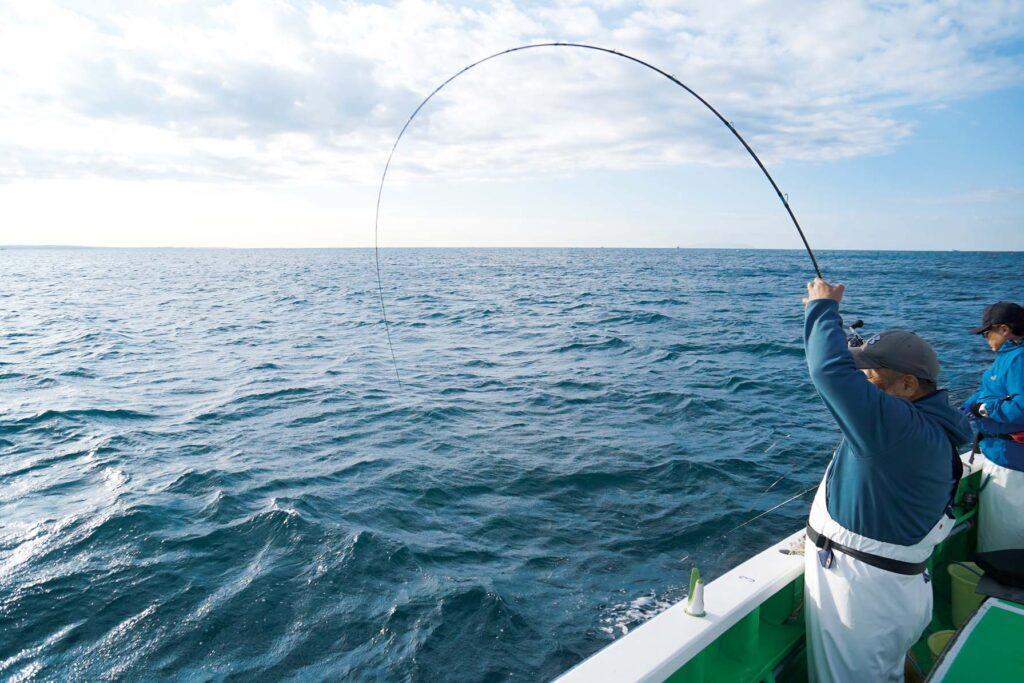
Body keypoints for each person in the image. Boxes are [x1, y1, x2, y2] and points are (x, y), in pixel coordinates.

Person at [802, 277, 971, 683]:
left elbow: (828, 371)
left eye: (872, 378)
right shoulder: (929, 424)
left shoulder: (897, 428)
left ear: (908, 385)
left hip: (864, 598)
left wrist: (821, 307)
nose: (865, 388)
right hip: (895, 587)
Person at [962, 301, 1024, 552]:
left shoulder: (1017, 359)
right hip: (1009, 457)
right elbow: (993, 391)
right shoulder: (1011, 356)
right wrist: (968, 406)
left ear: (1004, 329)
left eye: (987, 333)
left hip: (1009, 463)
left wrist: (983, 409)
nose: (985, 339)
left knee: (1001, 538)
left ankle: (1002, 572)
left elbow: (1020, 406)